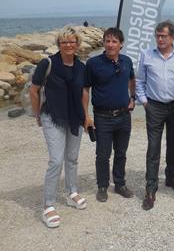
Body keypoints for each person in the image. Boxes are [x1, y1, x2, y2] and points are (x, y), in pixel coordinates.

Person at [30, 26, 87, 228]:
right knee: (56, 160)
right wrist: (37, 114)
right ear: (59, 45)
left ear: (78, 44)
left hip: (75, 118)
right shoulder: (48, 63)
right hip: (52, 116)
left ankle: (72, 191)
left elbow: (83, 93)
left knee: (72, 157)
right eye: (64, 42)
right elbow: (34, 90)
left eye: (72, 41)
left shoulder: (82, 66)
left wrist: (86, 117)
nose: (69, 45)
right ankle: (48, 204)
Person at [136, 20, 174, 210]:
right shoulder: (146, 55)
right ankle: (150, 189)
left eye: (164, 36)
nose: (160, 39)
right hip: (154, 106)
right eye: (158, 35)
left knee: (173, 145)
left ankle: (170, 177)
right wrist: (144, 102)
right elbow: (140, 81)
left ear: (172, 37)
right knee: (153, 148)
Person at [83, 27, 136, 203]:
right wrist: (86, 115)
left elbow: (132, 80)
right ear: (104, 43)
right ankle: (103, 186)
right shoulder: (93, 63)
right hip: (102, 117)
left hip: (123, 116)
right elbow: (85, 90)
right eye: (107, 41)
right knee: (103, 155)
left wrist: (133, 98)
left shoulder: (127, 61)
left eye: (114, 41)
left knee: (121, 152)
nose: (110, 44)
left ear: (121, 44)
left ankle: (120, 184)